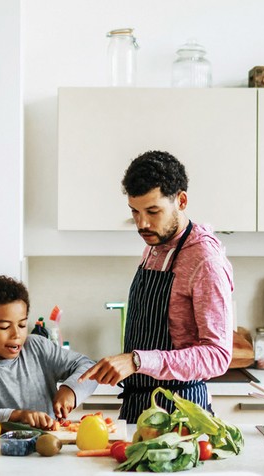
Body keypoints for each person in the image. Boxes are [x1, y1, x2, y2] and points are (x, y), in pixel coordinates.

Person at [80, 150, 234, 423]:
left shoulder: (205, 261)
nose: (142, 224)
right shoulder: (156, 245)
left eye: (153, 211)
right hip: (138, 405)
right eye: (135, 212)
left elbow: (218, 356)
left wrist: (137, 361)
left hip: (179, 413)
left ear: (181, 201)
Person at [0, 275, 98, 429]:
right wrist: (17, 416)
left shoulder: (38, 347)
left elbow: (90, 367)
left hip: (50, 446)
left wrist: (70, 390)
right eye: (4, 327)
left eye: (22, 325)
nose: (16, 334)